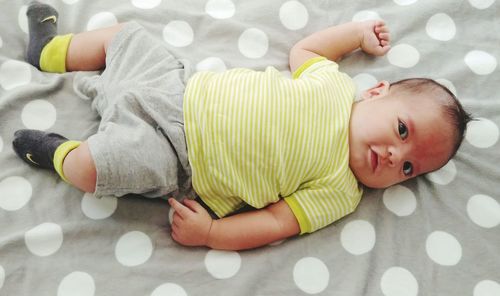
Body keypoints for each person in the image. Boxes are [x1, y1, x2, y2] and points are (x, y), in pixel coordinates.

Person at [13, 2, 471, 250]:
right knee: (124, 35)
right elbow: (306, 52)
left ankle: (57, 152)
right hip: (177, 86)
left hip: (174, 160)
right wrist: (356, 36)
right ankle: (50, 53)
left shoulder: (340, 191)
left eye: (409, 168)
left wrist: (212, 234)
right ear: (376, 93)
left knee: (94, 170)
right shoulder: (333, 84)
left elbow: (274, 222)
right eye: (403, 131)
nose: (395, 156)